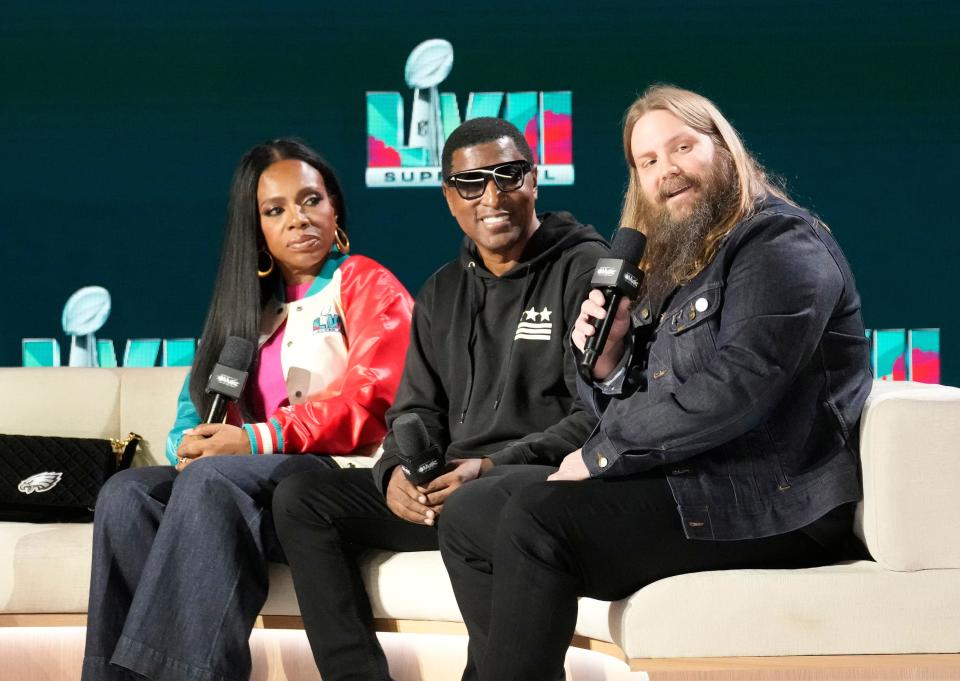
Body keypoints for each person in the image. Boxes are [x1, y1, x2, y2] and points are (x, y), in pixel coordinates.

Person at [437, 85, 874, 681]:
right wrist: (608, 361)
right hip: (688, 482)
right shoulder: (675, 263)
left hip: (774, 503)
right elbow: (634, 398)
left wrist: (604, 453)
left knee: (541, 517)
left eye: (682, 147)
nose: (666, 171)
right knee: (469, 512)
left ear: (724, 149)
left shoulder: (779, 243)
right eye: (647, 161)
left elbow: (740, 385)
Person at [270, 117, 609, 681]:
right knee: (302, 498)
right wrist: (397, 474)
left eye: (508, 176)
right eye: (471, 183)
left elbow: (597, 418)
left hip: (531, 484)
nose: (492, 196)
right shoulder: (442, 290)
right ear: (450, 198)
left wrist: (492, 466)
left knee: (476, 510)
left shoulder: (586, 271)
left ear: (534, 181)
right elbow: (412, 411)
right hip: (452, 484)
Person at [81, 138, 414, 681]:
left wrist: (257, 439)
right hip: (246, 485)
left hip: (336, 482)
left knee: (214, 483)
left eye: (312, 200)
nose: (298, 220)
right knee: (127, 494)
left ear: (336, 209)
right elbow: (196, 416)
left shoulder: (365, 283)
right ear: (254, 229)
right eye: (275, 210)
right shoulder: (244, 309)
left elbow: (373, 401)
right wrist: (189, 447)